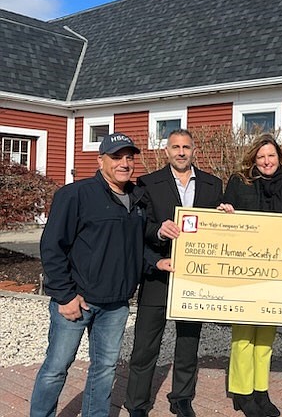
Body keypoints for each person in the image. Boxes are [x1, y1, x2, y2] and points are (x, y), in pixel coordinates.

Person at [30, 132, 148, 417]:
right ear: (100, 160)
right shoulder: (75, 195)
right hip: (77, 301)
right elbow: (52, 246)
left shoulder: (138, 199)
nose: (124, 163)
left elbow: (139, 248)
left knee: (104, 369)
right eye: (116, 157)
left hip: (116, 303)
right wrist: (65, 295)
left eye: (129, 158)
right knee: (56, 368)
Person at [125, 129, 223, 417]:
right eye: (175, 147)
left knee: (189, 341)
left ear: (195, 150)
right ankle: (137, 403)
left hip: (194, 277)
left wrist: (227, 217)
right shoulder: (147, 183)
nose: (181, 152)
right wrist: (158, 230)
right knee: (145, 345)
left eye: (186, 147)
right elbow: (137, 228)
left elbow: (219, 229)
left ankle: (182, 397)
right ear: (166, 151)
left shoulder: (212, 184)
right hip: (159, 272)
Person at [218, 133, 282, 417]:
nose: (267, 161)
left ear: (279, 158)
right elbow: (224, 216)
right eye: (261, 156)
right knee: (243, 335)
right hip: (245, 271)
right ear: (254, 158)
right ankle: (242, 392)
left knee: (266, 336)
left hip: (277, 272)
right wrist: (225, 212)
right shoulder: (239, 182)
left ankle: (260, 389)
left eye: (271, 156)